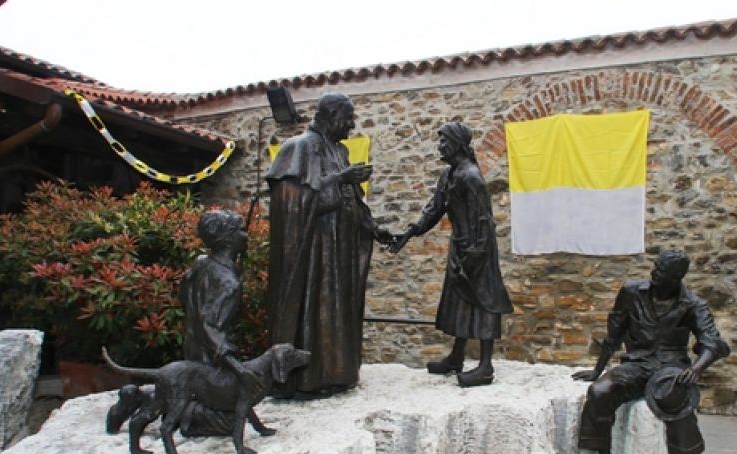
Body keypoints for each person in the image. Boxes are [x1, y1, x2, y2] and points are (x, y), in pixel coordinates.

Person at [572, 249, 730, 454]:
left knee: (676, 401)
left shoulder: (692, 304)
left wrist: (696, 369)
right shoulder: (632, 292)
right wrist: (598, 369)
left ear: (677, 277)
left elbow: (712, 342)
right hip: (637, 363)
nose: (654, 273)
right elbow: (615, 331)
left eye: (661, 271)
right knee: (599, 392)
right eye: (655, 267)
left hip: (670, 368)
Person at [266, 93, 392, 398]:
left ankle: (338, 374)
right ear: (330, 116)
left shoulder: (340, 151)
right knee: (315, 311)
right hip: (314, 252)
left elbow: (352, 200)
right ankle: (308, 380)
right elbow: (291, 202)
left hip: (340, 249)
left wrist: (374, 228)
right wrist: (340, 178)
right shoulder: (297, 147)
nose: (352, 125)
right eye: (347, 118)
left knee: (337, 311)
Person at [388, 122, 513, 387]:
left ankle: (486, 366)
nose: (440, 147)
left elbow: (484, 219)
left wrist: (475, 255)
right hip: (460, 245)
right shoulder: (449, 175)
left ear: (456, 144)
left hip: (478, 249)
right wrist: (411, 232)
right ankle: (456, 356)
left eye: (444, 141)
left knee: (484, 301)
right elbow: (434, 209)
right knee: (461, 300)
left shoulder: (471, 176)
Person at [177, 209, 262, 435]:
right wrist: (238, 369)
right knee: (229, 419)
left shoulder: (200, 262)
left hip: (192, 348)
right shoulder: (228, 282)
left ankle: (186, 408)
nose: (246, 235)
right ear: (228, 239)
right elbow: (210, 326)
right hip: (210, 362)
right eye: (241, 231)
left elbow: (184, 295)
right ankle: (189, 417)